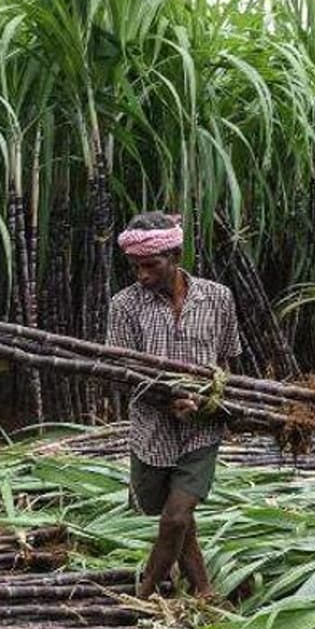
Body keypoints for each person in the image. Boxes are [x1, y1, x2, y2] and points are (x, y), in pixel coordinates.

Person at [107, 211, 243, 600]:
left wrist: (209, 401)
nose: (142, 275)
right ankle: (203, 589)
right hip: (152, 429)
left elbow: (227, 360)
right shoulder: (125, 305)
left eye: (151, 265)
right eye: (135, 267)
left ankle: (143, 594)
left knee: (177, 515)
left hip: (203, 427)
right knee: (170, 515)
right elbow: (125, 372)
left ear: (177, 255)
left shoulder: (218, 297)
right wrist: (168, 401)